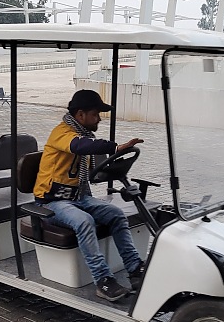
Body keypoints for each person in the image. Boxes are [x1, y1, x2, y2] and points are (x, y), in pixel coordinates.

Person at [33, 89, 145, 302]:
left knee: (116, 214)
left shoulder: (85, 136)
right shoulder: (63, 134)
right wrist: (115, 147)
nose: (99, 119)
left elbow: (92, 164)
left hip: (79, 197)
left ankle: (135, 269)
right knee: (85, 221)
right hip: (50, 202)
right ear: (81, 114)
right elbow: (79, 146)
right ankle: (103, 281)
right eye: (95, 114)